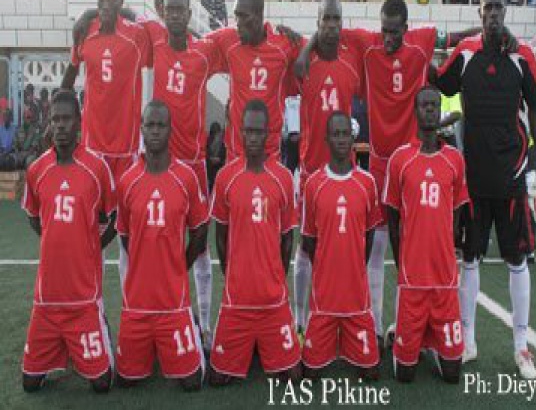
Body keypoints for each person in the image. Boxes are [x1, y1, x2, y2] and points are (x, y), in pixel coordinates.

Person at [294, 0, 485, 348]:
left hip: (413, 160)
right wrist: (305, 51)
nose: (387, 38)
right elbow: (326, 29)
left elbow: (455, 37)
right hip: (381, 162)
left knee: (410, 247)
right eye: (383, 30)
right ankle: (377, 325)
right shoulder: (367, 44)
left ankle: (410, 324)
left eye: (394, 32)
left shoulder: (422, 40)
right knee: (378, 245)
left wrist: (486, 32)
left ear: (406, 29)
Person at [432, 0, 536, 380]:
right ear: (479, 14)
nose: (494, 13)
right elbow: (435, 78)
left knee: (517, 260)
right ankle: (468, 340)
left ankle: (520, 345)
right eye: (487, 8)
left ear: (506, 11)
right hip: (474, 178)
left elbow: (535, 115)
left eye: (499, 7)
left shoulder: (524, 55)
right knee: (470, 258)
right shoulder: (465, 56)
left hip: (513, 176)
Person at [21, 90, 116, 393]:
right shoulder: (37, 169)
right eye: (55, 120)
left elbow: (114, 217)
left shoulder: (96, 168)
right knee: (30, 384)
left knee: (101, 384)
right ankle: (62, 348)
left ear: (79, 122)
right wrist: (54, 238)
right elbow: (34, 215)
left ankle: (102, 332)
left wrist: (91, 246)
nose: (60, 126)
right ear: (49, 124)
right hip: (46, 300)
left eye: (66, 119)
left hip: (83, 300)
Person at [61, 0, 152, 286]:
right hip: (92, 152)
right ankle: (93, 309)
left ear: (121, 1)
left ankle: (130, 309)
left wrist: (117, 13)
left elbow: (158, 29)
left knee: (128, 234)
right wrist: (57, 112)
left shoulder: (137, 37)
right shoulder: (86, 33)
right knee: (92, 231)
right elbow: (70, 75)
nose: (104, 5)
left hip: (126, 154)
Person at [116, 101, 208, 390]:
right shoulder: (128, 181)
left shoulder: (186, 178)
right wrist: (144, 263)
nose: (155, 131)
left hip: (173, 302)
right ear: (141, 129)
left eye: (161, 125)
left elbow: (200, 231)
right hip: (137, 304)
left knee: (192, 383)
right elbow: (124, 235)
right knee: (126, 380)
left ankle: (190, 324)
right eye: (150, 125)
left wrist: (180, 264)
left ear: (170, 130)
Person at [152, 0, 225, 349]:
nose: (177, 15)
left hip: (193, 164)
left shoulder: (204, 52)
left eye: (182, 10)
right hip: (160, 165)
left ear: (189, 13)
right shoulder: (153, 43)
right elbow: (124, 23)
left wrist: (276, 31)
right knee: (152, 240)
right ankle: (152, 311)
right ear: (163, 11)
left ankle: (205, 323)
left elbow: (234, 38)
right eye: (171, 10)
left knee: (201, 244)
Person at [209, 100, 302, 384]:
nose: (252, 138)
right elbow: (220, 235)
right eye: (247, 131)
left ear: (269, 134)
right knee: (217, 379)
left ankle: (261, 345)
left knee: (294, 376)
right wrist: (231, 274)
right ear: (239, 131)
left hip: (273, 299)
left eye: (258, 132)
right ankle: (253, 346)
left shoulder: (284, 178)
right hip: (237, 299)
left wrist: (277, 275)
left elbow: (288, 237)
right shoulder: (226, 177)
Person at [384, 85, 469, 383]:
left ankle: (430, 341)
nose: (430, 110)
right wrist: (401, 261)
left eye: (435, 105)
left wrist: (448, 247)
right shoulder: (400, 159)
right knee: (404, 376)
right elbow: (392, 218)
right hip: (413, 280)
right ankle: (409, 336)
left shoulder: (455, 160)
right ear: (416, 111)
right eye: (424, 105)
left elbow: (456, 216)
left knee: (453, 375)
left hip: (445, 280)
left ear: (439, 110)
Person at [292, 0, 362, 339]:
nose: (332, 25)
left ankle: (346, 317)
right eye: (326, 19)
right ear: (318, 23)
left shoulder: (352, 64)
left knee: (345, 248)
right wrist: (305, 48)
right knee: (306, 248)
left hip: (345, 175)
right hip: (310, 172)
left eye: (337, 19)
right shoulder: (305, 66)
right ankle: (300, 318)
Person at [301, 111, 381, 379]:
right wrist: (326, 267)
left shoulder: (367, 183)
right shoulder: (313, 185)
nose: (341, 139)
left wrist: (355, 265)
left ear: (352, 137)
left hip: (356, 300)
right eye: (335, 134)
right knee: (310, 373)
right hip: (323, 300)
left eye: (345, 134)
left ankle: (350, 341)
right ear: (326, 139)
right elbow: (308, 241)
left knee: (370, 373)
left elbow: (370, 235)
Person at [202, 0, 303, 160]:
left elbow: (318, 52)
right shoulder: (229, 40)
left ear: (259, 16)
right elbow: (193, 48)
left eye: (243, 16)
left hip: (270, 154)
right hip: (236, 152)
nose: (238, 22)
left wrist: (300, 38)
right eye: (236, 15)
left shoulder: (283, 45)